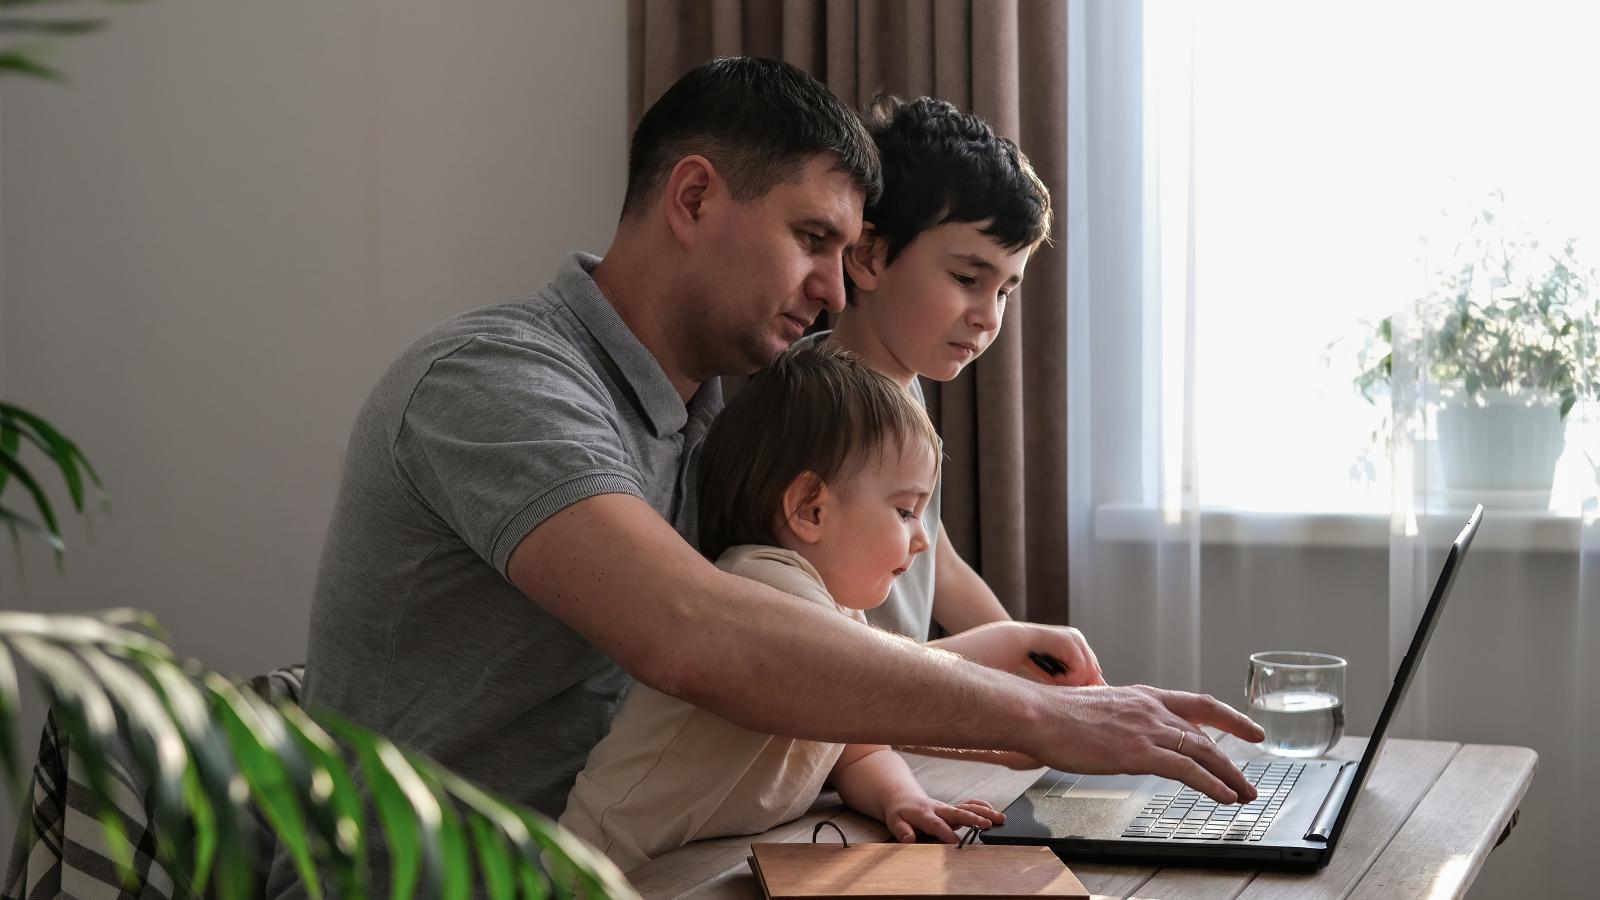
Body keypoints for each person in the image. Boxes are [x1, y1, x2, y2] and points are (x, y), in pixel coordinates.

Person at [270, 55, 1263, 898]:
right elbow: (692, 632)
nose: (836, 287)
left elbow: (771, 643)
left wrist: (1000, 678)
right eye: (813, 240)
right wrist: (1044, 714)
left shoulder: (709, 421)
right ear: (694, 198)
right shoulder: (496, 384)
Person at [561, 342, 1011, 872]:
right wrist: (993, 663)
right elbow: (868, 683)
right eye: (906, 511)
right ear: (810, 509)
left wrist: (901, 798)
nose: (922, 541)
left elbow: (861, 751)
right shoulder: (761, 581)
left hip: (701, 864)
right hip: (605, 868)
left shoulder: (836, 614)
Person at [801, 94, 1058, 650]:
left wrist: (1031, 653)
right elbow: (830, 645)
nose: (989, 317)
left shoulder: (903, 388)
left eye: (1005, 292)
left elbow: (936, 557)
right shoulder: (813, 406)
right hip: (852, 715)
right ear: (868, 257)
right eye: (968, 278)